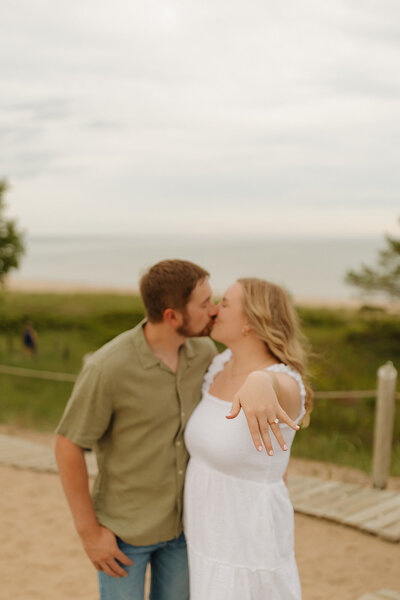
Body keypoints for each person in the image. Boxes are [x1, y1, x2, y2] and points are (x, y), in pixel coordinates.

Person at [55, 260, 299, 600]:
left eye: (218, 301)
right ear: (172, 316)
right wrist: (89, 533)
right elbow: (67, 444)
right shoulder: (107, 368)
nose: (213, 311)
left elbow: (273, 388)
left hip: (187, 531)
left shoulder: (205, 355)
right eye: (204, 304)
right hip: (126, 532)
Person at [184, 277, 313, 600]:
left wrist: (260, 378)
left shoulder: (285, 384)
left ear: (250, 323)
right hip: (207, 532)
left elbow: (277, 385)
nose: (214, 310)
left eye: (225, 304)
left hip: (248, 542)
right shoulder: (217, 367)